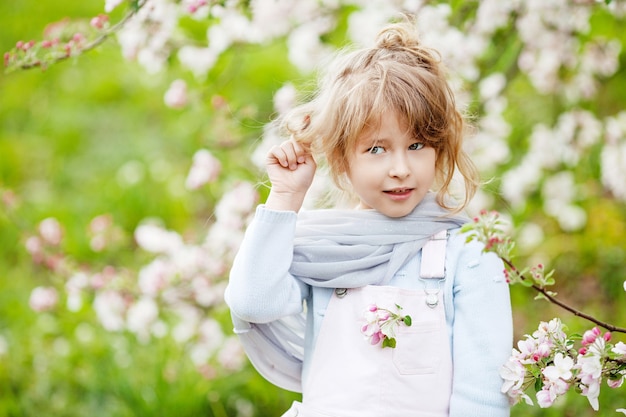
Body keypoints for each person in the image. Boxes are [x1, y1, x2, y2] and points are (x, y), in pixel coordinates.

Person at [225, 19, 513, 417]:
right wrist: (285, 197)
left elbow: (483, 397)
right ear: (342, 159)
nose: (400, 168)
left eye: (416, 145)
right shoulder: (326, 250)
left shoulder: (467, 254)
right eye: (377, 149)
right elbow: (252, 302)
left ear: (440, 150)